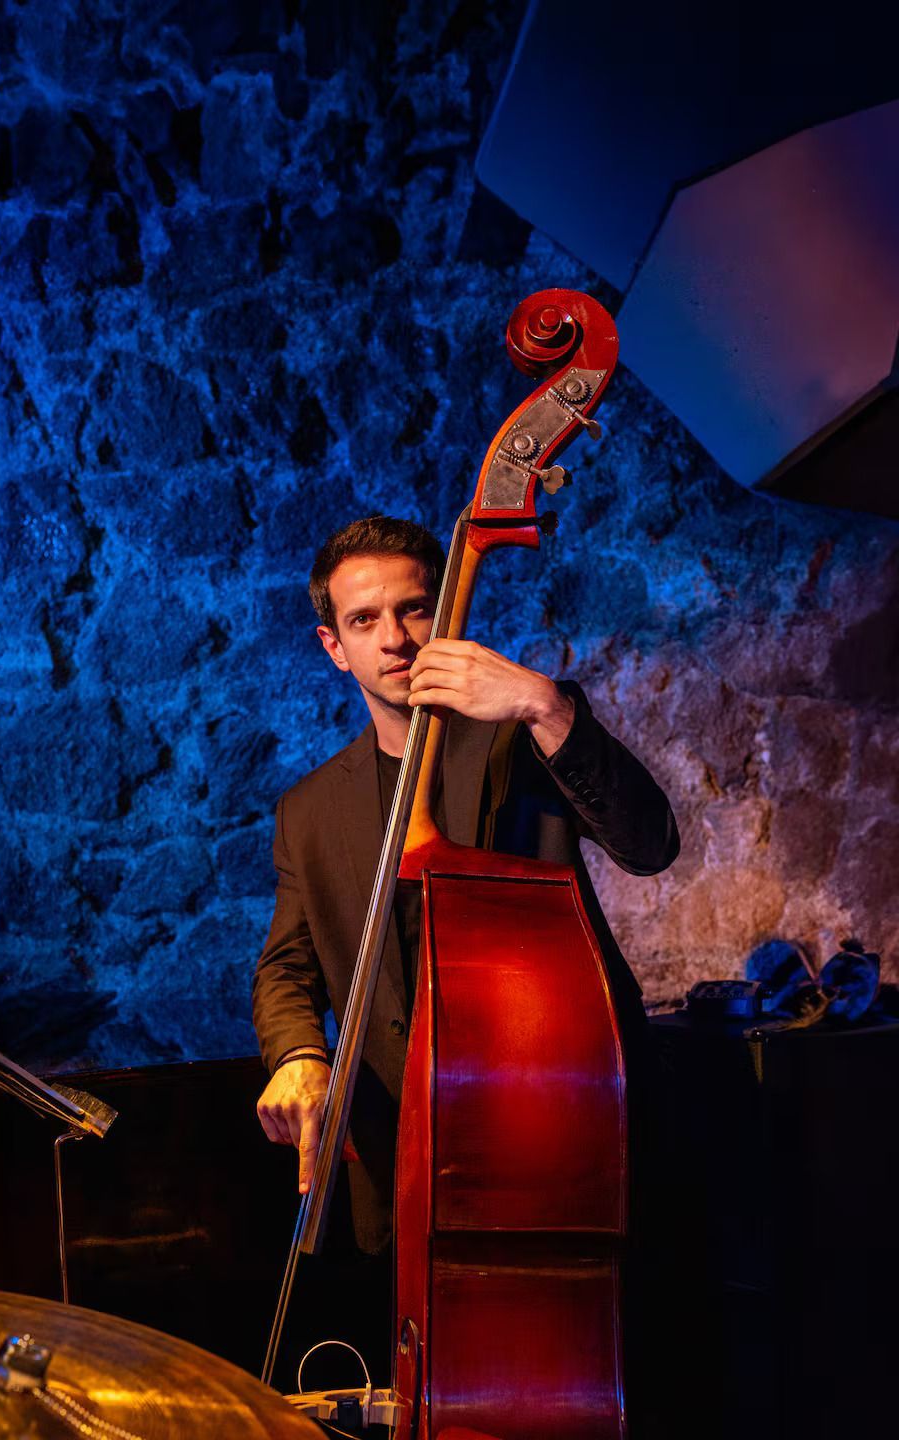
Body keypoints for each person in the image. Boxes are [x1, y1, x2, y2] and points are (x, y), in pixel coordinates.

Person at [252, 514, 678, 1381]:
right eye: (364, 621)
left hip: (551, 1146)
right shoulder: (308, 812)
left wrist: (544, 703)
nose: (396, 640)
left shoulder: (526, 738)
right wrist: (299, 1054)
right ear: (333, 646)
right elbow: (286, 967)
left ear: (447, 613)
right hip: (399, 1166)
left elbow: (651, 842)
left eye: (413, 610)